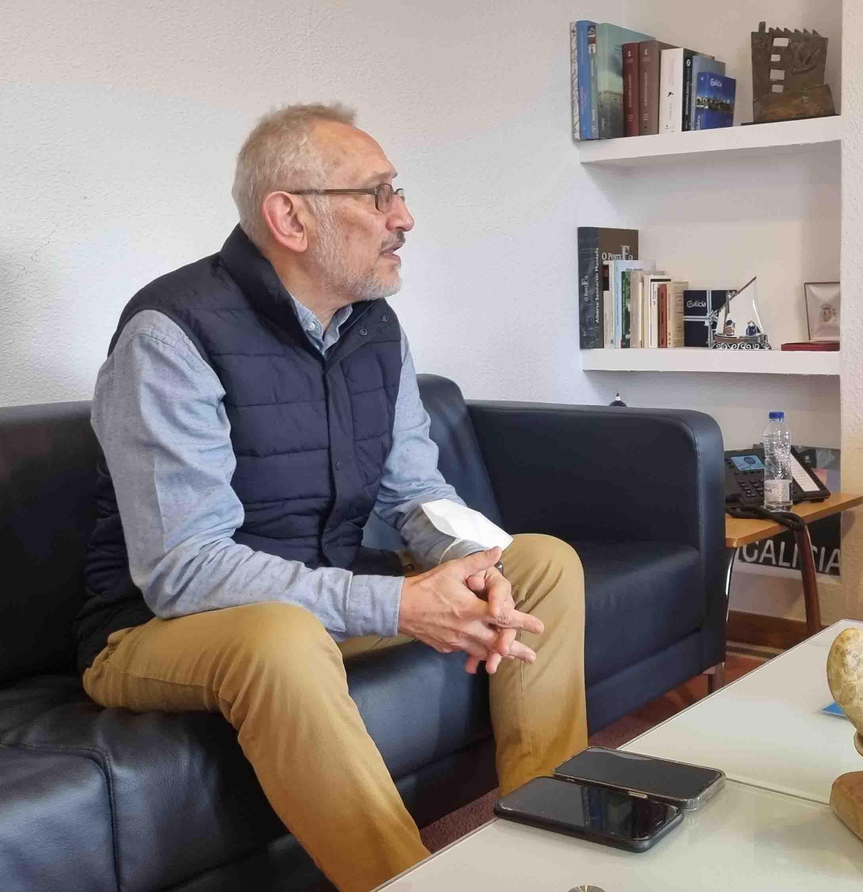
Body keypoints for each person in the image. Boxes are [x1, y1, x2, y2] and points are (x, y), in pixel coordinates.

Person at [72, 103, 587, 892]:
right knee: (278, 639)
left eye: (398, 192)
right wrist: (399, 604)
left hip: (317, 604)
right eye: (377, 194)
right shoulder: (171, 334)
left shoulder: (374, 328)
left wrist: (476, 565)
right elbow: (185, 571)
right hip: (159, 629)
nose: (404, 216)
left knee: (540, 564)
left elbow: (417, 493)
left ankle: (552, 860)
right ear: (290, 216)